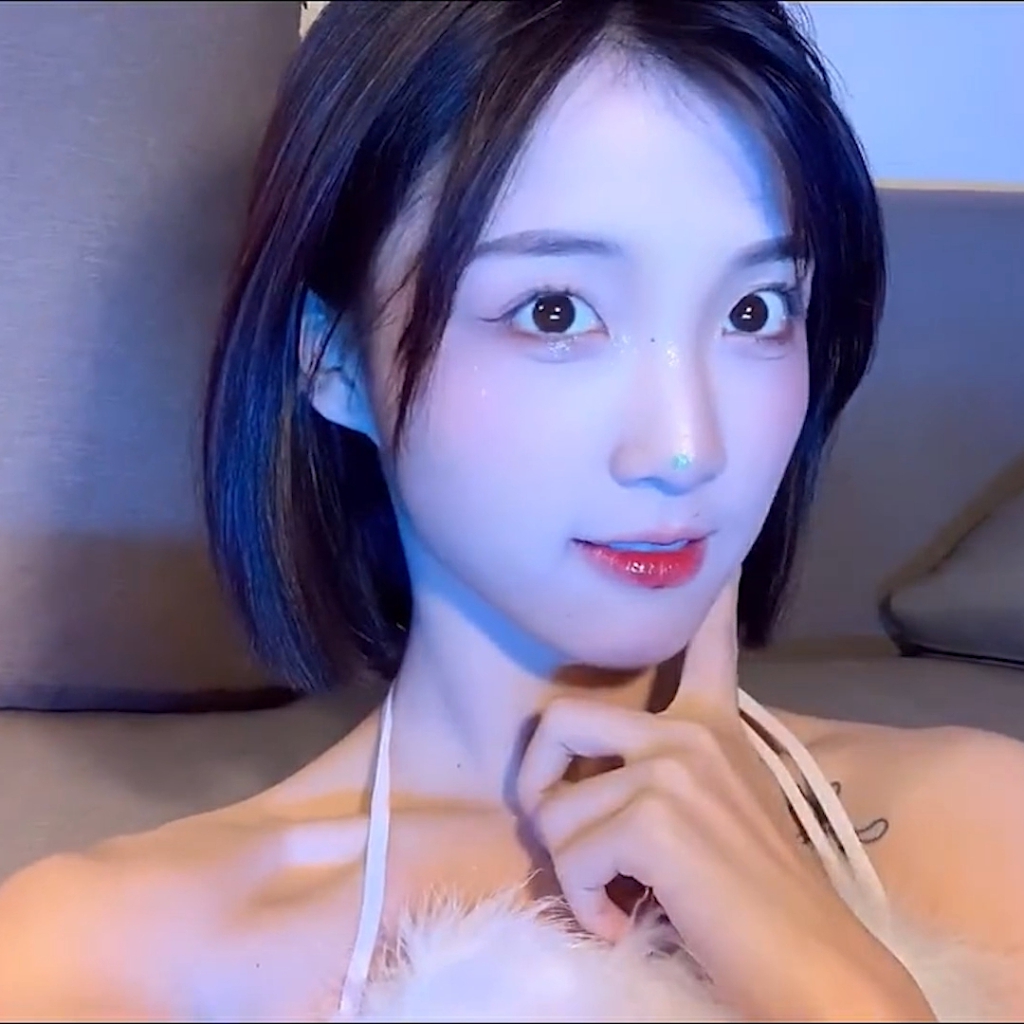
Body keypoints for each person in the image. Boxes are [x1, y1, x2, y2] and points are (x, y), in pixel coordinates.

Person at [1, 1, 1023, 1019]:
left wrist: (811, 958)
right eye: (555, 311)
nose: (687, 448)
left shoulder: (983, 823)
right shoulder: (99, 957)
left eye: (754, 311)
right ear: (334, 357)